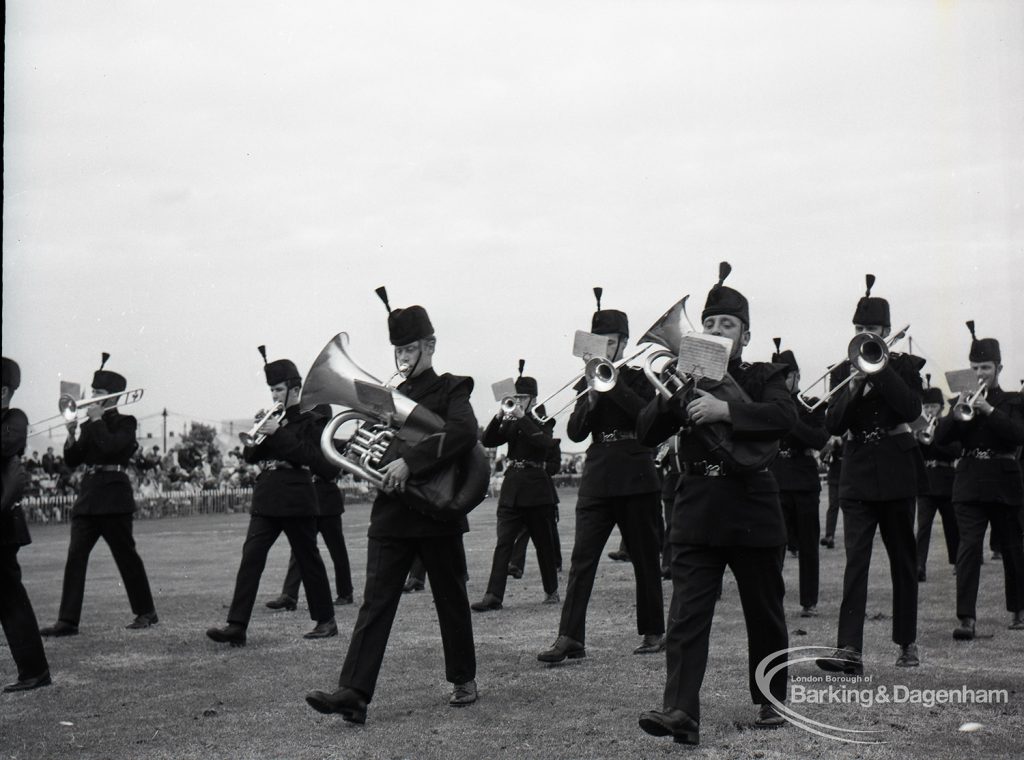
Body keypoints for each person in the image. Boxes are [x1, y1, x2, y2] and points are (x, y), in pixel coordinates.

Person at [636, 262, 796, 745]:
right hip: (697, 505)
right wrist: (671, 398)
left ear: (745, 335)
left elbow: (784, 416)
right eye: (708, 324)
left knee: (764, 611)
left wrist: (726, 409)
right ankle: (680, 711)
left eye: (726, 325)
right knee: (685, 614)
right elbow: (645, 433)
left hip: (752, 505)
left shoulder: (766, 373)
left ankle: (770, 700)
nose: (715, 330)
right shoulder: (684, 377)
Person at [306, 288, 479, 723]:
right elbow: (375, 447)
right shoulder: (382, 395)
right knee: (375, 604)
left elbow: (463, 433)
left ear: (430, 346)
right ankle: (353, 693)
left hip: (437, 511)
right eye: (398, 349)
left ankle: (463, 679)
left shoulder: (452, 387)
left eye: (410, 348)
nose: (403, 356)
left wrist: (411, 461)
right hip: (393, 513)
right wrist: (368, 461)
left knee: (450, 600)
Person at [537, 287, 665, 663]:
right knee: (582, 560)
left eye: (610, 343)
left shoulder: (642, 377)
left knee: (644, 557)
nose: (604, 351)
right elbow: (576, 432)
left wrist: (613, 384)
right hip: (598, 475)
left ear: (623, 344)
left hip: (636, 472)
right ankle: (570, 636)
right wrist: (592, 397)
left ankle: (654, 631)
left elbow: (646, 418)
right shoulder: (585, 382)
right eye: (599, 344)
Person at [816, 275, 924, 675]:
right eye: (858, 330)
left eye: (871, 330)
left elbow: (911, 408)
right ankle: (849, 649)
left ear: (886, 332)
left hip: (897, 470)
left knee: (902, 560)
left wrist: (879, 372)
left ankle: (907, 642)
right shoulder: (843, 370)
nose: (864, 335)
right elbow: (832, 424)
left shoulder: (906, 366)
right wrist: (854, 386)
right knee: (855, 561)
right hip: (858, 472)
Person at [206, 347, 336, 646]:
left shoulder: (312, 415)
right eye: (271, 390)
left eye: (278, 390)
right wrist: (259, 432)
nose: (274, 396)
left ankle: (326, 620)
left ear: (294, 388)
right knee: (251, 557)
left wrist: (278, 431)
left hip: (297, 494)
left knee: (308, 560)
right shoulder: (270, 418)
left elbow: (311, 457)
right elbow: (251, 455)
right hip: (268, 496)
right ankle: (236, 625)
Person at [40, 354, 158, 637]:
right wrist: (71, 436)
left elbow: (110, 448)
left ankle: (146, 611)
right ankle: (67, 621)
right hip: (89, 497)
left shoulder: (126, 423)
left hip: (114, 497)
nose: (91, 397)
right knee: (75, 556)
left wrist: (94, 422)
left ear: (112, 398)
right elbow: (73, 460)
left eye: (98, 393)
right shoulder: (89, 424)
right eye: (92, 392)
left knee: (125, 556)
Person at [934, 322, 1024, 639]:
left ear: (998, 367)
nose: (980, 372)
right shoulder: (963, 400)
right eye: (974, 367)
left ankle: (1018, 610)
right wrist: (956, 410)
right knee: (968, 550)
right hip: (970, 483)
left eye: (985, 366)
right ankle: (966, 618)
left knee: (1013, 549)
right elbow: (940, 439)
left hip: (1004, 482)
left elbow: (1017, 436)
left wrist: (987, 409)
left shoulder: (1013, 400)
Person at [472, 361, 561, 611]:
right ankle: (493, 595)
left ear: (532, 398)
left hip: (536, 487)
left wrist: (522, 418)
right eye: (515, 397)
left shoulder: (542, 418)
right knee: (503, 543)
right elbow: (488, 440)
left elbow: (543, 443)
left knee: (544, 544)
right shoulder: (511, 419)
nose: (518, 401)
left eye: (523, 397)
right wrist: (500, 415)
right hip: (513, 487)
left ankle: (551, 590)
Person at [265, 403, 355, 611]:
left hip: (328, 501)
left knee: (337, 550)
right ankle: (289, 595)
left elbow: (334, 467)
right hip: (311, 500)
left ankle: (345, 592)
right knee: (300, 550)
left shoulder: (333, 444)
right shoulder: (309, 443)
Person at [1, 357, 51, 692]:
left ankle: (34, 670)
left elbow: (8, 442)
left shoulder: (14, 418)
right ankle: (34, 670)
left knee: (10, 597)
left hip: (3, 523)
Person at [769, 339, 828, 617]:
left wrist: (790, 418)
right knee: (775, 544)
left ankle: (809, 601)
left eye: (785, 377)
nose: (781, 383)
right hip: (776, 480)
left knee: (808, 544)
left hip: (804, 481)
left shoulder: (811, 407)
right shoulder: (767, 405)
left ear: (796, 377)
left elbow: (819, 438)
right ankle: (772, 597)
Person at [914, 376, 960, 582]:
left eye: (933, 406)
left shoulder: (948, 426)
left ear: (942, 408)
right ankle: (919, 565)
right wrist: (918, 442)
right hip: (926, 483)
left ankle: (958, 562)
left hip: (947, 481)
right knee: (923, 526)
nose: (930, 411)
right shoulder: (919, 428)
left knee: (952, 524)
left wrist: (934, 442)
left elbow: (955, 451)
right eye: (927, 407)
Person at [819, 434, 843, 548]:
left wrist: (842, 443)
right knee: (833, 506)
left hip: (849, 478)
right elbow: (822, 456)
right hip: (834, 478)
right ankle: (829, 536)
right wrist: (830, 444)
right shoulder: (832, 439)